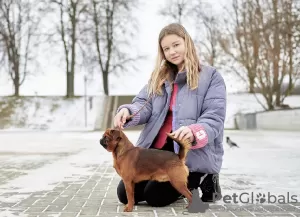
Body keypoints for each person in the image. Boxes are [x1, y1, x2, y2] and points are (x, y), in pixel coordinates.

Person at [113, 23, 226, 207]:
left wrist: (193, 131)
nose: (172, 51)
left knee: (155, 197)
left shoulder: (211, 77)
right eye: (166, 48)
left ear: (186, 43)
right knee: (124, 195)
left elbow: (215, 117)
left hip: (187, 155)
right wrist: (127, 111)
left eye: (176, 45)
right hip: (155, 154)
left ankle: (205, 177)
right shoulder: (159, 77)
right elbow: (143, 104)